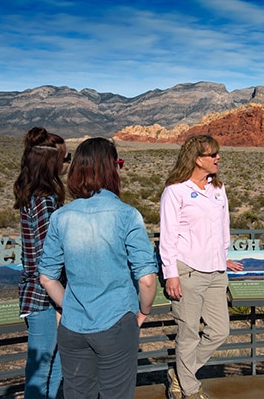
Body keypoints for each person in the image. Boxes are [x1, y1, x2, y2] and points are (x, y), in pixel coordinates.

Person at [38, 137, 158, 399]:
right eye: (119, 164)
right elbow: (147, 279)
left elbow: (47, 277)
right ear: (110, 168)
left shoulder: (61, 217)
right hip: (116, 322)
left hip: (73, 328)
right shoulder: (127, 214)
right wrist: (142, 312)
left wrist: (69, 306)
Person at [159, 134, 243, 399]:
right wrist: (171, 273)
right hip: (189, 271)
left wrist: (222, 255)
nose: (218, 158)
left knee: (220, 330)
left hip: (217, 271)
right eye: (213, 154)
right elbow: (168, 236)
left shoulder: (218, 189)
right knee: (189, 334)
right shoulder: (175, 191)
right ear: (197, 159)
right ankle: (190, 389)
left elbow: (223, 228)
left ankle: (179, 373)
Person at [13, 126, 70, 399]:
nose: (67, 165)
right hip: (45, 297)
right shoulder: (46, 203)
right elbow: (50, 259)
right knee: (44, 368)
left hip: (38, 294)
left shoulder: (32, 198)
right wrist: (60, 301)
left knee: (53, 365)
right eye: (65, 159)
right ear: (51, 163)